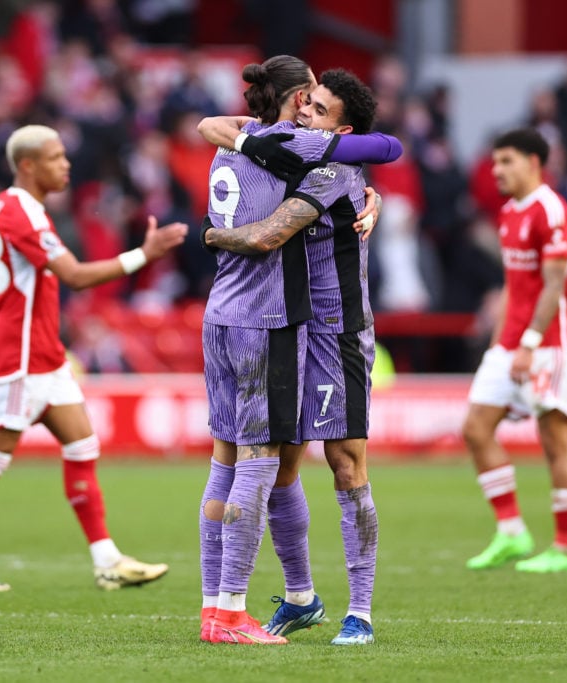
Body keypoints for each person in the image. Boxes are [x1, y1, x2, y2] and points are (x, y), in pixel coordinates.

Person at [196, 57, 400, 646]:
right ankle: (301, 596)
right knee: (282, 464)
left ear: (341, 132)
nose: (306, 111)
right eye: (305, 101)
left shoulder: (333, 166)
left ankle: (360, 611)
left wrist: (209, 235)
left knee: (345, 464)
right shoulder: (293, 147)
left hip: (338, 332)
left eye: (320, 109)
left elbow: (269, 235)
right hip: (289, 324)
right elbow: (217, 124)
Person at [0, 125, 186, 592]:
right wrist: (142, 256)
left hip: (45, 355)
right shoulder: (18, 212)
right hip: (18, 359)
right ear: (27, 165)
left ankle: (107, 559)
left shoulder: (19, 208)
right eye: (54, 157)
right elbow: (73, 275)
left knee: (83, 445)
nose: (65, 164)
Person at [462, 128, 567, 574]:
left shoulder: (551, 211)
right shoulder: (509, 212)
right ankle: (512, 531)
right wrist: (499, 344)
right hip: (511, 343)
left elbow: (555, 285)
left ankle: (566, 549)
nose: (497, 171)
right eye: (495, 162)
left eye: (507, 161)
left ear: (535, 162)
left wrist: (530, 344)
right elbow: (515, 289)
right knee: (476, 428)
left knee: (555, 440)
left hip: (552, 344)